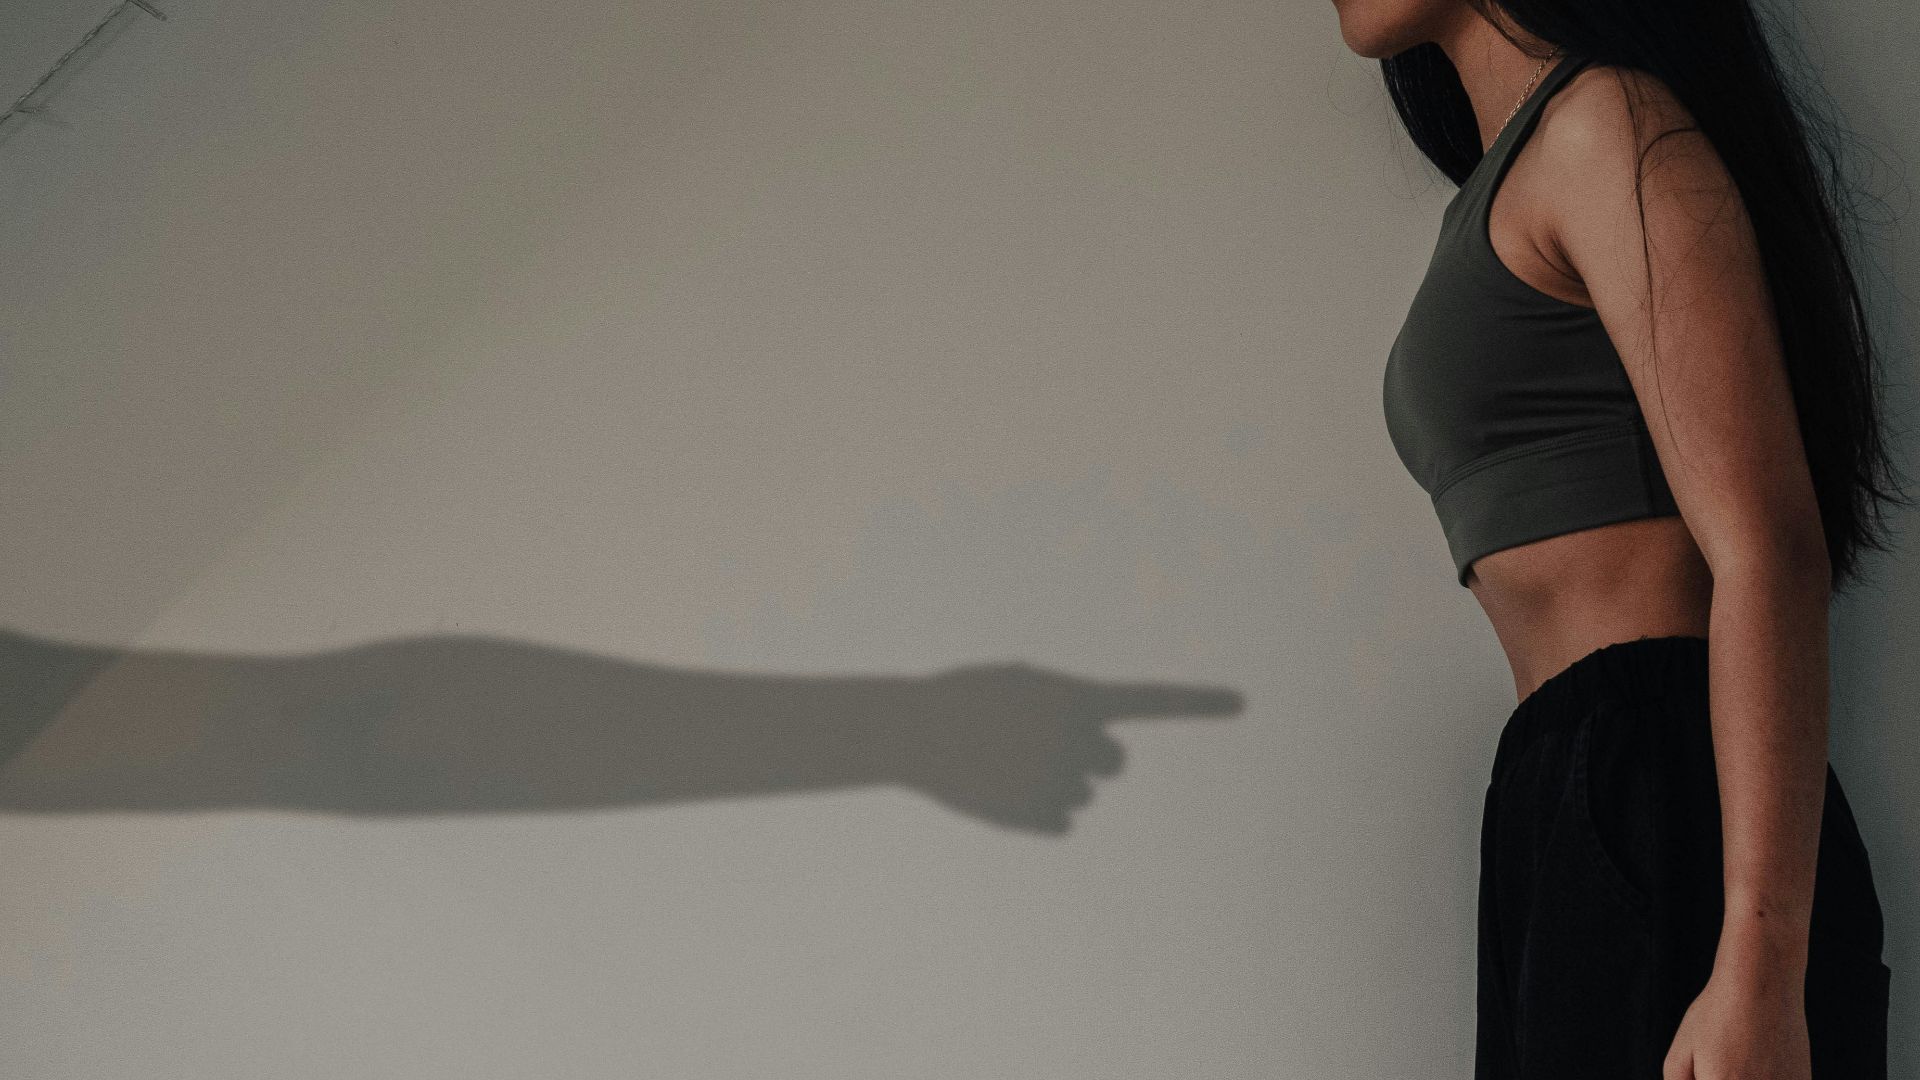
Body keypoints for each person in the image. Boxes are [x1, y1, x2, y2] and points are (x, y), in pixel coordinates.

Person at [1335, 1, 1909, 1076]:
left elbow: (1766, 544)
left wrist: (1761, 962)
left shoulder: (1607, 124)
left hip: (1659, 784)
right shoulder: (1520, 173)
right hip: (1569, 790)